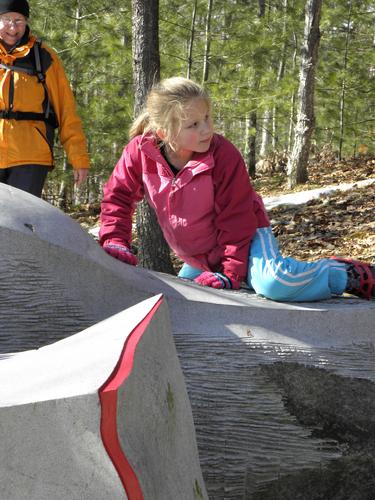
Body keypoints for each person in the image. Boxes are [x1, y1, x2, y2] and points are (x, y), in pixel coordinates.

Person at [99, 76, 374, 302]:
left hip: (246, 236)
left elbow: (237, 216)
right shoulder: (140, 152)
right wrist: (114, 239)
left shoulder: (222, 155)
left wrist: (231, 271)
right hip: (200, 254)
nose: (207, 129)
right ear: (164, 133)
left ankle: (343, 273)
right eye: (194, 124)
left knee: (273, 283)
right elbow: (118, 197)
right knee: (182, 302)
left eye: (207, 117)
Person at [0, 0, 89, 197]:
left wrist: (79, 159)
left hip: (30, 157)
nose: (13, 28)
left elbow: (66, 111)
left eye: (19, 20)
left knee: (21, 223)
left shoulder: (44, 57)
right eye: (7, 20)